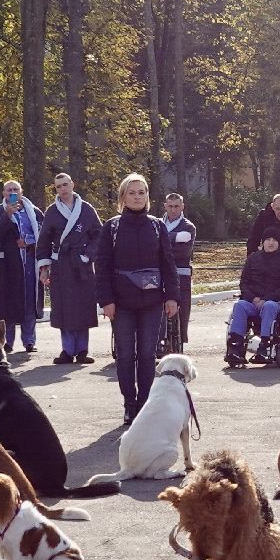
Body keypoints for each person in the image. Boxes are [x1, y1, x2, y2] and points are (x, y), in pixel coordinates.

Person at [94, 173, 179, 423]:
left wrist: (172, 296)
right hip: (121, 303)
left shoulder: (157, 225)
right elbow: (103, 266)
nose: (137, 197)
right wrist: (106, 300)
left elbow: (168, 264)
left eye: (141, 192)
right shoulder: (112, 227)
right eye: (132, 193)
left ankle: (144, 403)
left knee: (146, 354)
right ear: (123, 197)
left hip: (152, 303)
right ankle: (129, 403)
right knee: (125, 354)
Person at [38, 172, 102, 365]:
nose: (63, 189)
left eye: (66, 185)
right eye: (59, 186)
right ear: (55, 189)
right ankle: (67, 350)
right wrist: (44, 268)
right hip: (61, 265)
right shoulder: (52, 211)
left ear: (72, 184)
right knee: (64, 307)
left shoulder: (86, 209)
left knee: (83, 306)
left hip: (81, 264)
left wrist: (87, 254)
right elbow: (43, 241)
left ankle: (82, 350)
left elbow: (99, 235)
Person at [226, 229, 280, 367]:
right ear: (262, 242)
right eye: (268, 239)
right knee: (239, 306)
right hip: (253, 301)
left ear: (279, 243)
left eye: (274, 240)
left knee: (269, 306)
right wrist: (252, 298)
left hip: (274, 302)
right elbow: (244, 282)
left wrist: (267, 299)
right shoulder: (253, 258)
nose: (271, 242)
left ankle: (265, 347)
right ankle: (235, 347)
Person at [0, 179, 41, 353]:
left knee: (29, 301)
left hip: (30, 262)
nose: (12, 192)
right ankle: (8, 341)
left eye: (15, 189)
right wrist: (7, 216)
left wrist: (28, 241)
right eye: (8, 190)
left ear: (21, 192)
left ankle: (29, 341)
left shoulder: (34, 211)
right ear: (3, 193)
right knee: (8, 301)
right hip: (8, 265)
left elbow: (44, 233)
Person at [162, 192, 197, 344]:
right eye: (170, 206)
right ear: (165, 206)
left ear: (182, 207)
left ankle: (179, 340)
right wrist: (175, 238)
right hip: (159, 273)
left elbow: (183, 253)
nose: (173, 210)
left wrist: (162, 243)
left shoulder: (189, 227)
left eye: (177, 206)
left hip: (181, 274)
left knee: (182, 307)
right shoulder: (157, 223)